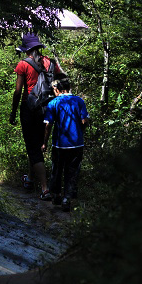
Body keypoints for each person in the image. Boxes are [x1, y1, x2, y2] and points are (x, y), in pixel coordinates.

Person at [9, 33, 63, 200]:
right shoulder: (50, 63)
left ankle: (45, 188)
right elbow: (60, 82)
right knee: (38, 145)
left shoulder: (22, 65)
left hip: (29, 108)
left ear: (27, 50)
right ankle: (30, 179)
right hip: (47, 107)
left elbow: (18, 92)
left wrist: (13, 112)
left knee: (33, 147)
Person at [41, 78, 89, 211]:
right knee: (72, 171)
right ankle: (67, 198)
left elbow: (48, 125)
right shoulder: (79, 101)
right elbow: (84, 120)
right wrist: (80, 130)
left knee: (57, 170)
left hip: (59, 144)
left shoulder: (53, 103)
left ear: (58, 89)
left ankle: (56, 195)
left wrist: (44, 143)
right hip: (76, 144)